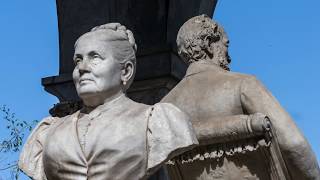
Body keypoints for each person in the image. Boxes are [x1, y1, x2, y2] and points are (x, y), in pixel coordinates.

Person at [19, 23, 198, 180]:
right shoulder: (48, 131)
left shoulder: (158, 122)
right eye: (78, 60)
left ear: (126, 71)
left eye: (94, 57)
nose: (82, 68)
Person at [162, 15, 320, 179]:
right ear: (209, 44)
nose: (229, 56)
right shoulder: (244, 85)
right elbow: (295, 145)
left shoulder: (164, 107)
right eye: (225, 45)